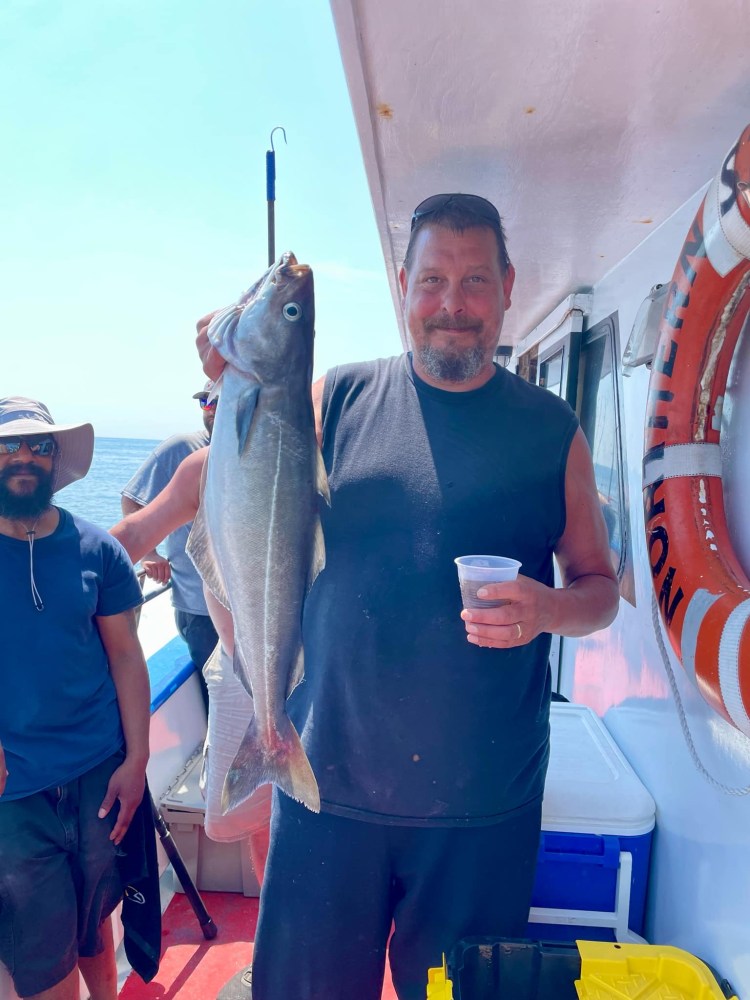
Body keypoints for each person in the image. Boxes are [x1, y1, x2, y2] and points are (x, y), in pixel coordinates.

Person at [197, 192, 621, 1000]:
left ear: (508, 288)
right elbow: (241, 486)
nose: (451, 305)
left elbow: (600, 589)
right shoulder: (337, 398)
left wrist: (549, 610)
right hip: (325, 787)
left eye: (473, 281)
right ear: (401, 285)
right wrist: (227, 368)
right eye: (432, 281)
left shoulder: (552, 427)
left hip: (483, 808)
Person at [0, 397, 151, 1000]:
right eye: (9, 444)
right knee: (41, 940)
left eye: (40, 446)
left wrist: (136, 760)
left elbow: (125, 656)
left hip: (98, 773)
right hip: (16, 790)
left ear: (56, 460)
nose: (24, 457)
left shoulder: (98, 550)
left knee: (95, 921)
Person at [120, 381, 219, 710]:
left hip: (255, 610)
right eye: (205, 402)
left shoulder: (262, 452)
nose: (212, 407)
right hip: (201, 611)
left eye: (221, 398)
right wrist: (150, 553)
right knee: (221, 705)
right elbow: (133, 501)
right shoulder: (183, 449)